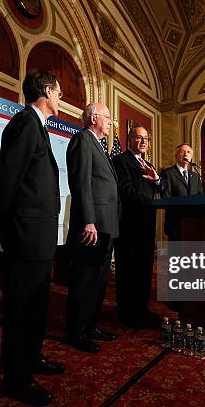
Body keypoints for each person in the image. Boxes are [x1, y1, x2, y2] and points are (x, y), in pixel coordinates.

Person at [0, 70, 64, 406]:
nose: (60, 98)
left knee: (37, 305)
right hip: (26, 234)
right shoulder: (24, 124)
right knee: (21, 307)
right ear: (47, 92)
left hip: (39, 235)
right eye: (59, 92)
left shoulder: (38, 127)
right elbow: (9, 178)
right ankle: (17, 378)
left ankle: (31, 358)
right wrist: (1, 221)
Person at [65, 103, 120, 353]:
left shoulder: (99, 145)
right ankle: (76, 332)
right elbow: (81, 183)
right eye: (107, 117)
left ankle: (91, 326)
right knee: (84, 281)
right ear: (94, 118)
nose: (110, 122)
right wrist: (88, 220)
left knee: (99, 282)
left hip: (106, 225)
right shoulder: (82, 140)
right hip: (92, 226)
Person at [112, 125, 164, 328]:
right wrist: (150, 203)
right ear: (129, 139)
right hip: (129, 226)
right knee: (128, 272)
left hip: (147, 225)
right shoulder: (120, 161)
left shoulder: (148, 165)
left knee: (144, 270)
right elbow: (125, 191)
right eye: (139, 138)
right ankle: (126, 313)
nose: (143, 142)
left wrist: (157, 178)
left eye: (146, 139)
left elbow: (162, 188)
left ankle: (141, 310)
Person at [160, 143, 203, 241]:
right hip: (175, 223)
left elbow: (201, 198)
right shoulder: (167, 173)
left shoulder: (196, 177)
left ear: (191, 157)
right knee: (176, 254)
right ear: (176, 155)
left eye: (188, 152)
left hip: (194, 223)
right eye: (182, 151)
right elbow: (166, 197)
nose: (185, 154)